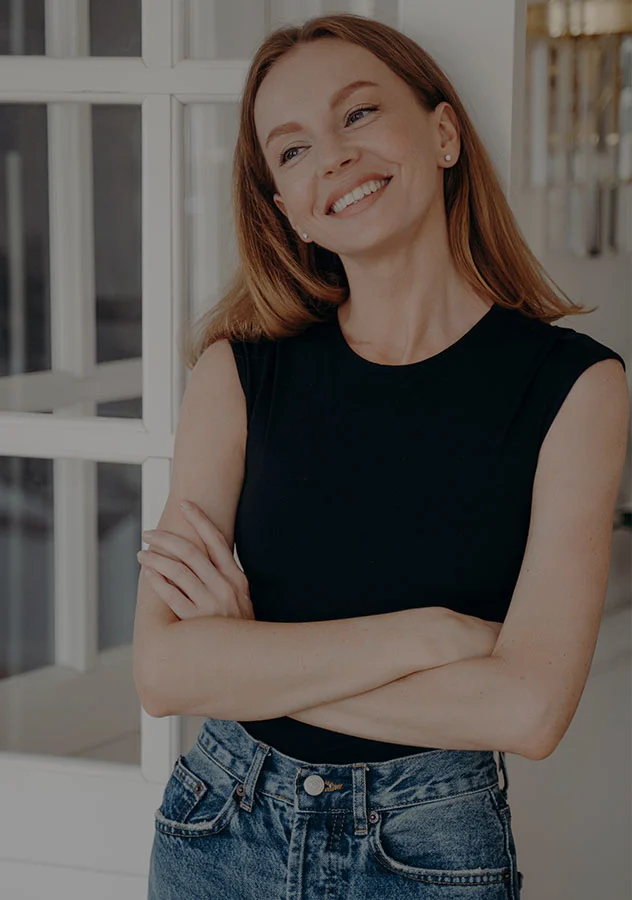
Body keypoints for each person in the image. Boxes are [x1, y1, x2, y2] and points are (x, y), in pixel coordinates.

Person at [134, 13, 629, 899]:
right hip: (221, 828)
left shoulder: (577, 388)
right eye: (292, 151)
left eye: (358, 114)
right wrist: (431, 639)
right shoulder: (236, 375)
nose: (332, 157)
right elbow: (164, 670)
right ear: (286, 209)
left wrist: (248, 658)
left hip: (431, 846)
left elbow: (528, 709)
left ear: (442, 134)